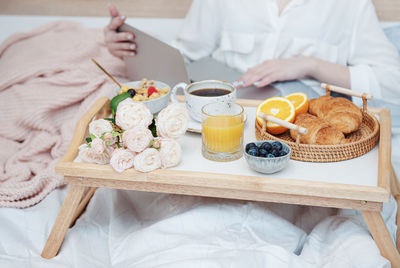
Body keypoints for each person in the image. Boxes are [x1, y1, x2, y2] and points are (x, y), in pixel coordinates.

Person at [104, 0, 400, 103]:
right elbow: (183, 57)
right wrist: (131, 48)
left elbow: (391, 81)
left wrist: (309, 65)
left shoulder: (351, 5)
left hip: (297, 139)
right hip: (217, 119)